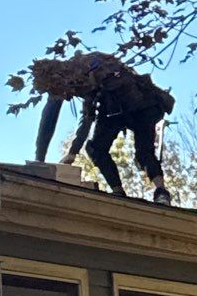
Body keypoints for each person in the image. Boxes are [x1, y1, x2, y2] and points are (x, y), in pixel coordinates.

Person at [32, 52, 175, 203]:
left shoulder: (74, 75)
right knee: (139, 151)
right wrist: (65, 153)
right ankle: (152, 192)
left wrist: (61, 155)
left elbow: (68, 119)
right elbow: (71, 116)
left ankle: (129, 191)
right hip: (137, 105)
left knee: (102, 149)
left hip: (126, 106)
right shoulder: (80, 68)